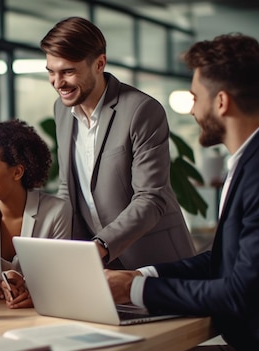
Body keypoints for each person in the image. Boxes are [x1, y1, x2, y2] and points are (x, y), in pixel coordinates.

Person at [105, 33, 259, 351]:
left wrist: (136, 291)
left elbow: (239, 293)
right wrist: (142, 274)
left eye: (195, 97)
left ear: (221, 101)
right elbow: (223, 260)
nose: (192, 110)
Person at [40, 16, 195, 269]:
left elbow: (150, 198)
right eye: (51, 72)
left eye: (68, 71)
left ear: (99, 63)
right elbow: (68, 189)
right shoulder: (61, 110)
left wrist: (101, 245)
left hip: (154, 259)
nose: (57, 83)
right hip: (97, 261)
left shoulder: (141, 110)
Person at [0, 119, 72, 309]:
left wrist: (34, 293)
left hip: (40, 313)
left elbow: (59, 278)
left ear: (17, 172)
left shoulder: (56, 212)